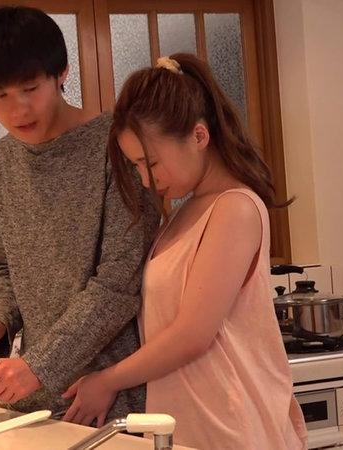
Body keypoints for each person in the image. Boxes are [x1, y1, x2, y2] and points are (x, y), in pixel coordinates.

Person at [60, 53, 308, 449]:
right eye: (136, 166)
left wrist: (107, 380)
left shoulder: (235, 208)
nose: (146, 179)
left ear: (199, 136)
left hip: (231, 425)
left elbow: (193, 335)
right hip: (188, 423)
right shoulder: (181, 213)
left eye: (151, 163)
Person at [0, 6, 159, 422]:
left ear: (62, 72)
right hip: (32, 402)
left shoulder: (115, 146)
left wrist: (39, 365)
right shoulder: (2, 162)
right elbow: (5, 268)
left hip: (110, 396)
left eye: (30, 88)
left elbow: (119, 284)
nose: (18, 110)